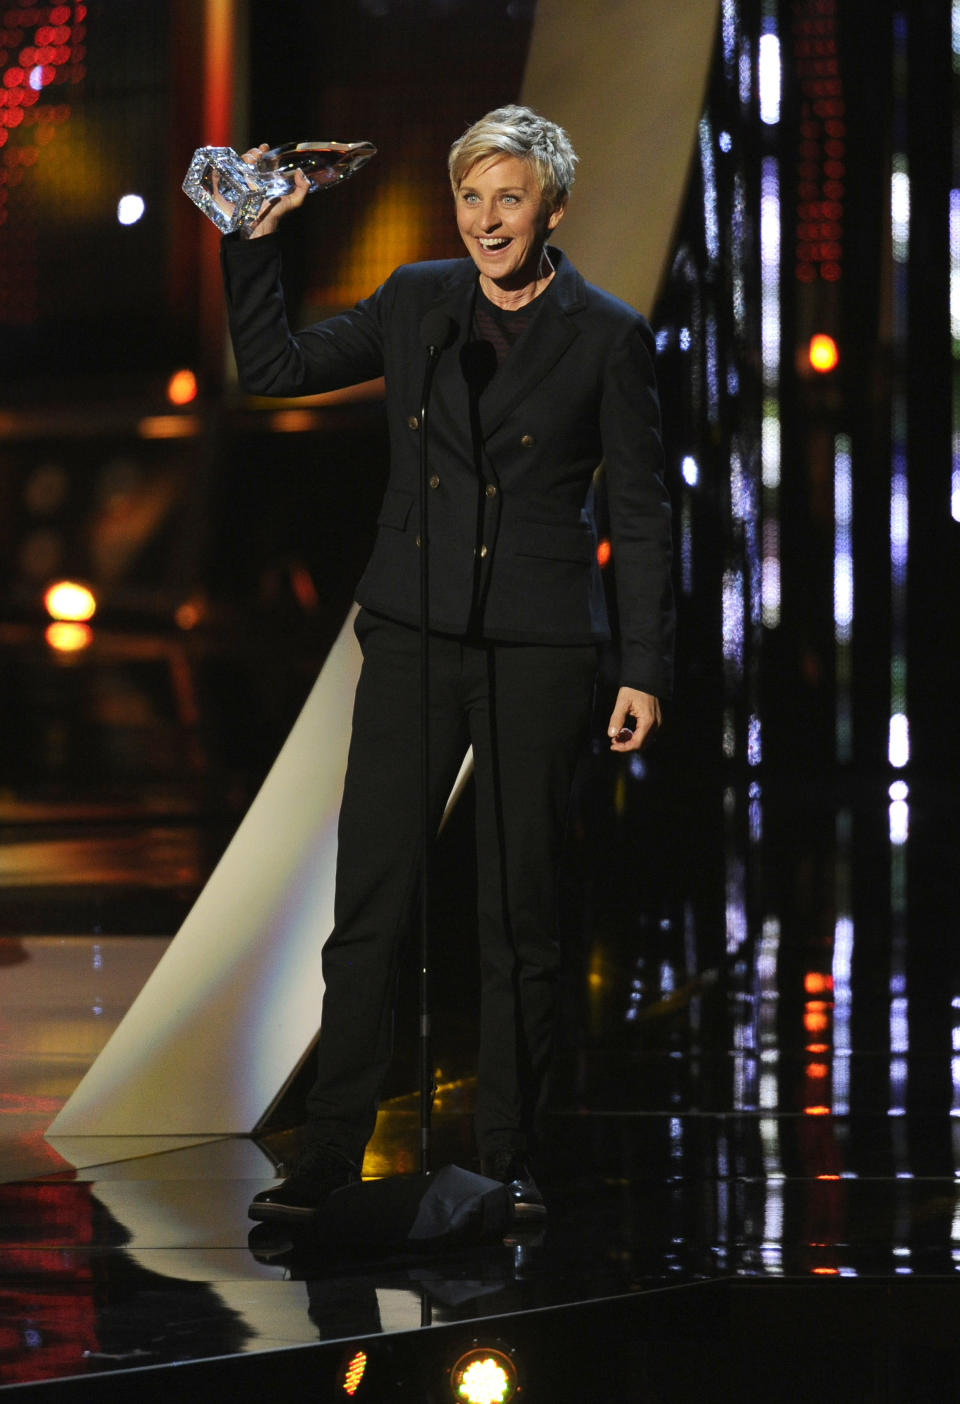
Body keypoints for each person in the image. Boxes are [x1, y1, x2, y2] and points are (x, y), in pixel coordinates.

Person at [220, 105, 674, 1224]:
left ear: (550, 209)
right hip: (416, 632)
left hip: (538, 648)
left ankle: (510, 1159)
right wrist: (255, 239)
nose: (485, 220)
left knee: (520, 915)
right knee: (372, 896)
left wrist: (645, 665)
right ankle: (330, 1149)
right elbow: (275, 368)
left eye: (507, 198)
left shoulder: (607, 336)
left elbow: (644, 510)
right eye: (470, 198)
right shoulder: (417, 300)